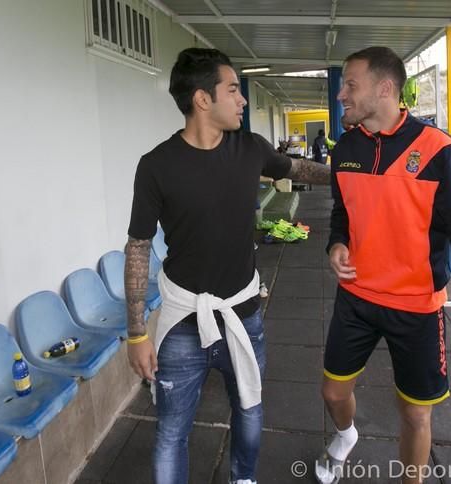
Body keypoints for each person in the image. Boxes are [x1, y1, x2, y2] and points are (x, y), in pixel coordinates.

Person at [125, 47, 330, 484]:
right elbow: (138, 247)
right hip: (182, 321)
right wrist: (137, 332)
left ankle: (244, 478)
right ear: (203, 99)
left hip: (245, 313)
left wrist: (347, 171)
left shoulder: (250, 148)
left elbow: (297, 168)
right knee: (170, 433)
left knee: (249, 410)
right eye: (233, 89)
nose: (242, 100)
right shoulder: (155, 166)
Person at [316, 46, 451, 484]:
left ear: (386, 88)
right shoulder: (346, 148)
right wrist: (337, 243)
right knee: (333, 392)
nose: (341, 95)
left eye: (351, 85)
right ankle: (345, 436)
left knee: (415, 415)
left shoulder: (441, 152)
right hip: (355, 298)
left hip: (416, 307)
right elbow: (343, 213)